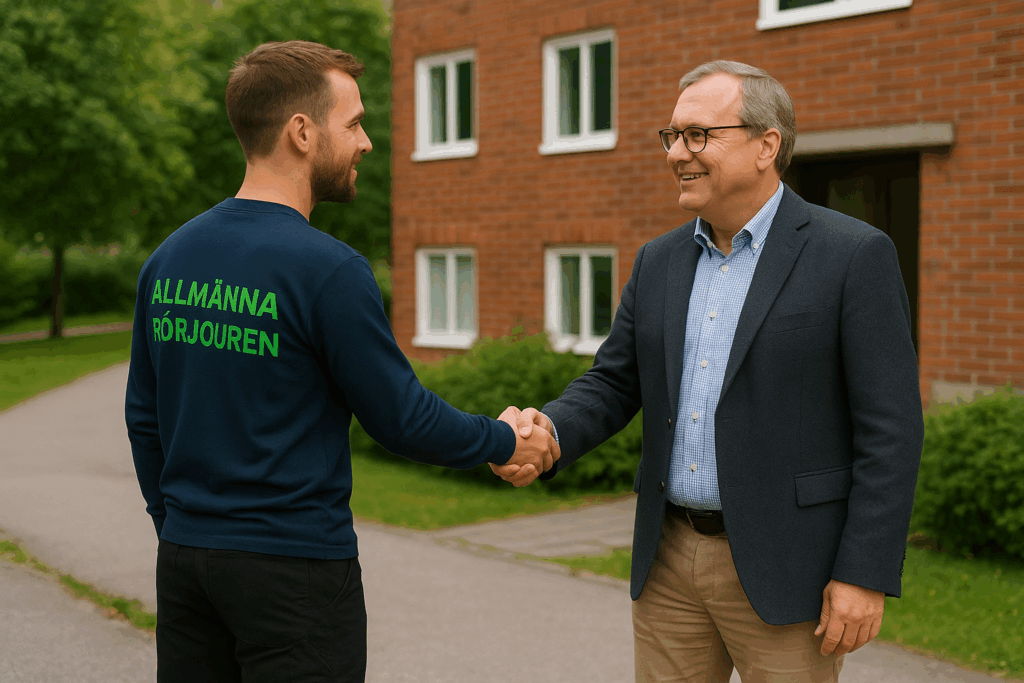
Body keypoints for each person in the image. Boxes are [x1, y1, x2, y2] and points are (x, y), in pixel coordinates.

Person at [124, 40, 559, 683]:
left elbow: (143, 418)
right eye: (353, 123)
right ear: (302, 132)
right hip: (294, 574)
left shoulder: (169, 259)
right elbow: (402, 418)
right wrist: (504, 440)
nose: (366, 143)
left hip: (187, 565)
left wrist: (178, 524)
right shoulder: (329, 270)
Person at [494, 60, 923, 682]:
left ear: (766, 146)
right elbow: (614, 382)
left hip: (789, 571)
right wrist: (547, 433)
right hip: (668, 562)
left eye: (698, 135)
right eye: (672, 136)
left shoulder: (853, 255)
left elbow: (891, 429)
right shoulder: (659, 260)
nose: (677, 153)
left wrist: (863, 573)